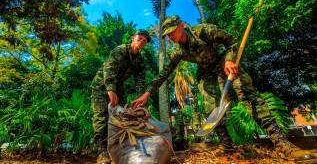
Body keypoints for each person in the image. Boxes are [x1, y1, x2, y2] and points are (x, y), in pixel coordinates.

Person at [132, 15, 316, 161]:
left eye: (173, 32)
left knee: (247, 94)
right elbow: (163, 73)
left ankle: (282, 143)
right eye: (168, 36)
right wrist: (147, 93)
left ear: (181, 26)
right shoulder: (178, 52)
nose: (171, 37)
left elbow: (232, 41)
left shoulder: (204, 31)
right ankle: (227, 145)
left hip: (224, 63)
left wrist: (229, 59)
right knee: (212, 106)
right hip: (206, 73)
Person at [91, 30, 151, 164]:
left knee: (122, 116)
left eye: (144, 41)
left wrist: (141, 98)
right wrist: (110, 89)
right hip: (101, 85)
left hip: (118, 87)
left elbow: (140, 80)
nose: (141, 42)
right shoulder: (120, 50)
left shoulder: (140, 60)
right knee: (101, 116)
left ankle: (118, 148)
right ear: (133, 38)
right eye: (139, 38)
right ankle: (101, 152)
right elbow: (109, 68)